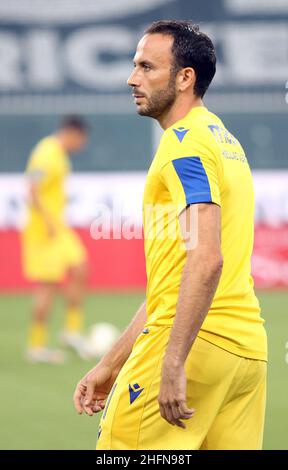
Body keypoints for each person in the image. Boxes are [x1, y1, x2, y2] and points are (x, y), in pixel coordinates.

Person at [73, 20, 267, 449]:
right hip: (245, 354)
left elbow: (207, 258)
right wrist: (110, 362)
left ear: (184, 78)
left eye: (146, 67)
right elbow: (175, 278)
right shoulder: (224, 140)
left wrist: (174, 361)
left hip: (193, 347)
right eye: (134, 65)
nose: (132, 78)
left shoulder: (185, 143)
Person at [22, 116, 90, 363]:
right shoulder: (46, 153)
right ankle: (36, 346)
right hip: (44, 231)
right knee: (47, 285)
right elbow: (31, 189)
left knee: (81, 267)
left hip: (58, 227)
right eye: (81, 140)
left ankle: (71, 331)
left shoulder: (58, 154)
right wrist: (48, 221)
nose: (81, 146)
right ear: (73, 133)